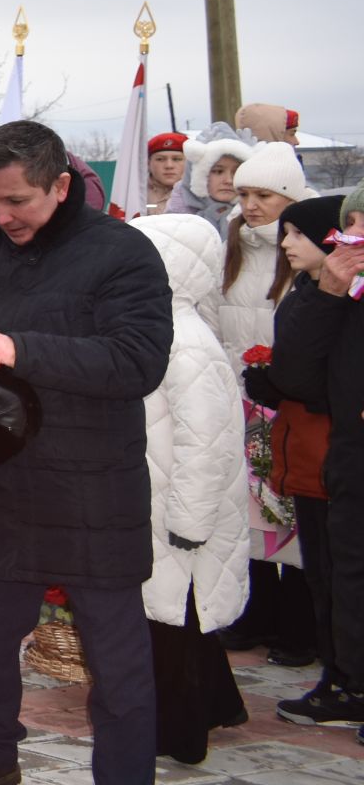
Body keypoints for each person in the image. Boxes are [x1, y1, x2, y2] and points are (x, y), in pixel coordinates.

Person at [0, 120, 172, 785]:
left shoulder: (122, 252)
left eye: (18, 201)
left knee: (118, 661)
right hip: (1, 484)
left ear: (61, 184)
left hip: (92, 491)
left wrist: (25, 348)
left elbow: (139, 361)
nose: (2, 215)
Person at [129, 213, 248, 765]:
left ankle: (181, 736)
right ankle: (218, 705)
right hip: (158, 503)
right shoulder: (161, 331)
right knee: (179, 622)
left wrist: (191, 520)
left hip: (179, 513)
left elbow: (206, 442)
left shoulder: (187, 344)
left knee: (175, 625)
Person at [264, 183, 364, 746]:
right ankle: (348, 679)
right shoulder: (325, 289)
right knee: (342, 573)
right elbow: (297, 375)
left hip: (338, 449)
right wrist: (326, 293)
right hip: (347, 458)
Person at [214, 142, 318, 668]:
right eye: (244, 194)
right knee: (248, 515)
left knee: (292, 514)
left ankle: (300, 623)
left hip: (288, 404)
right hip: (241, 400)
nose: (251, 205)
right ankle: (257, 611)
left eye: (265, 195)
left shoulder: (302, 255)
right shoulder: (231, 248)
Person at [247, 195, 350, 725]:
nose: (284, 244)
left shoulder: (341, 296)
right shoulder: (308, 291)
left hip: (331, 453)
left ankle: (345, 679)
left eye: (296, 234)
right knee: (324, 574)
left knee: (340, 574)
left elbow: (315, 375)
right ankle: (338, 675)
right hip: (306, 453)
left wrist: (278, 381)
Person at [178, 127, 256, 235]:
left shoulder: (259, 220)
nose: (228, 180)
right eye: (218, 171)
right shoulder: (175, 221)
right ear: (198, 177)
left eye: (236, 172)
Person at [145, 132, 188, 216]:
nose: (169, 166)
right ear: (148, 163)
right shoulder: (135, 194)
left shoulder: (200, 195)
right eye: (160, 159)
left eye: (177, 159)